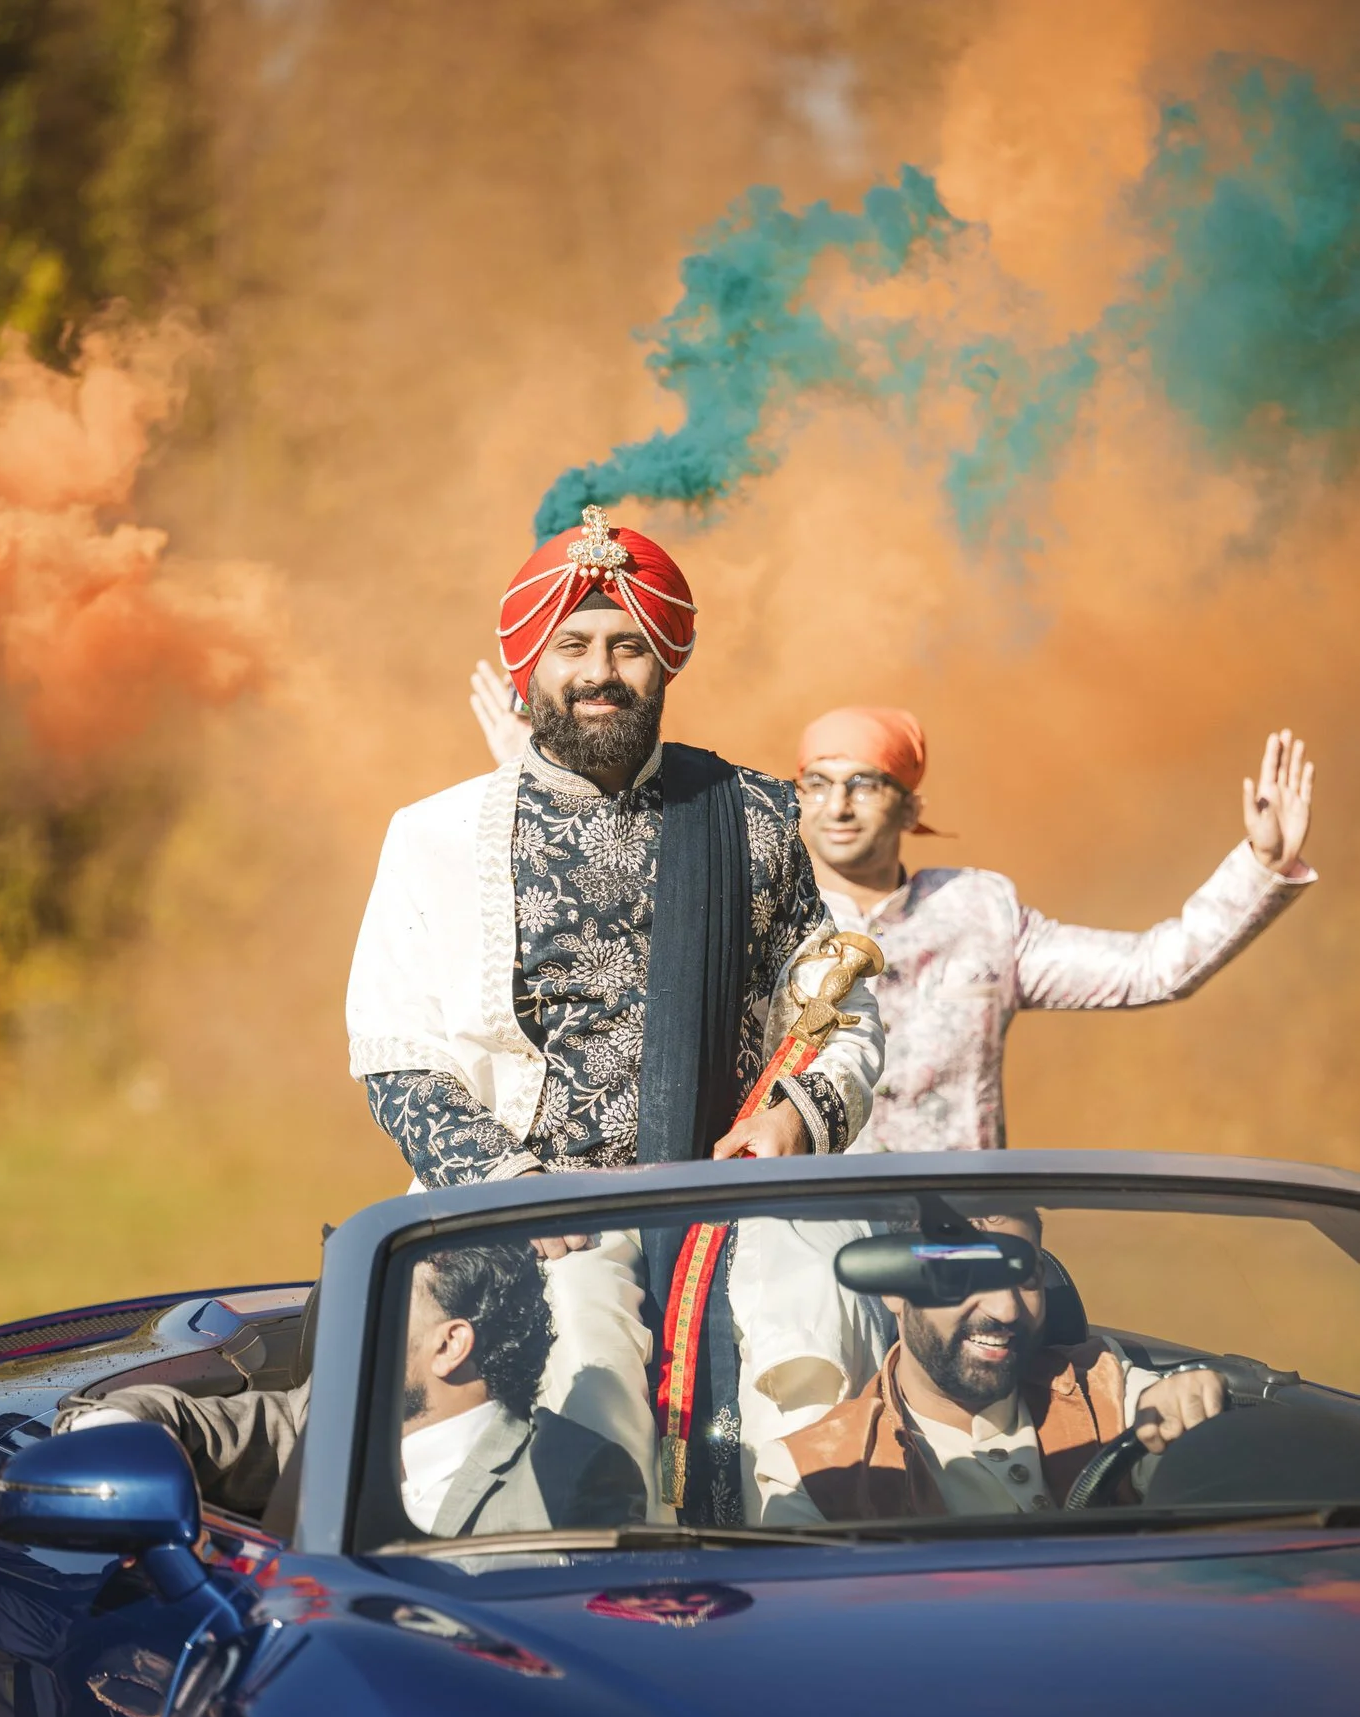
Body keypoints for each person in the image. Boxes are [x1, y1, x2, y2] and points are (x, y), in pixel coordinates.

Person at [349, 507, 884, 1520]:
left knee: (815, 1316)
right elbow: (396, 1059)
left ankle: (811, 1607)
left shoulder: (753, 819)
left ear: (665, 662)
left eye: (629, 646)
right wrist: (516, 1189)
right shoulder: (433, 837)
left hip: (728, 1201)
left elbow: (843, 1005)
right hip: (532, 1218)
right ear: (529, 663)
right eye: (576, 647)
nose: (602, 671)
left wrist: (794, 1117)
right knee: (588, 1375)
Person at [794, 707, 1317, 1152]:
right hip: (805, 1227)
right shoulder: (769, 915)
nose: (838, 806)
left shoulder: (978, 911)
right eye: (817, 784)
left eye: (865, 784)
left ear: (910, 808)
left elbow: (1153, 968)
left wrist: (1261, 865)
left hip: (961, 1231)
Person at [56, 1242, 648, 1539]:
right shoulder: (329, 1421)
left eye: (387, 1310)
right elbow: (173, 1417)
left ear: (450, 1345)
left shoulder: (576, 1471)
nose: (356, 1328)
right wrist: (109, 1443)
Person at [755, 1209, 1225, 1524]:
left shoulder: (1106, 1385)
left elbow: (1206, 1475)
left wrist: (1191, 1407)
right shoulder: (812, 1478)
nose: (1005, 1309)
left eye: (1025, 1278)